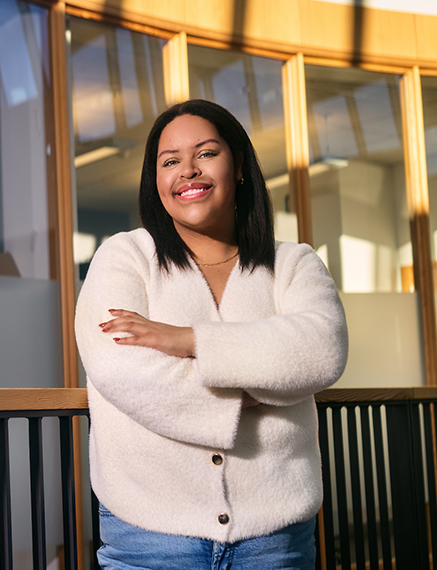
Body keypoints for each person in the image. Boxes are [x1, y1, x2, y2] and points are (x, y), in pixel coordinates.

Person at [74, 99, 348, 569]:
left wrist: (187, 341)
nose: (188, 171)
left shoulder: (294, 262)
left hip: (274, 537)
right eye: (170, 161)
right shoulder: (124, 256)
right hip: (149, 535)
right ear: (155, 179)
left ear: (238, 166)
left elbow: (321, 349)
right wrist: (255, 389)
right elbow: (119, 367)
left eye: (206, 153)